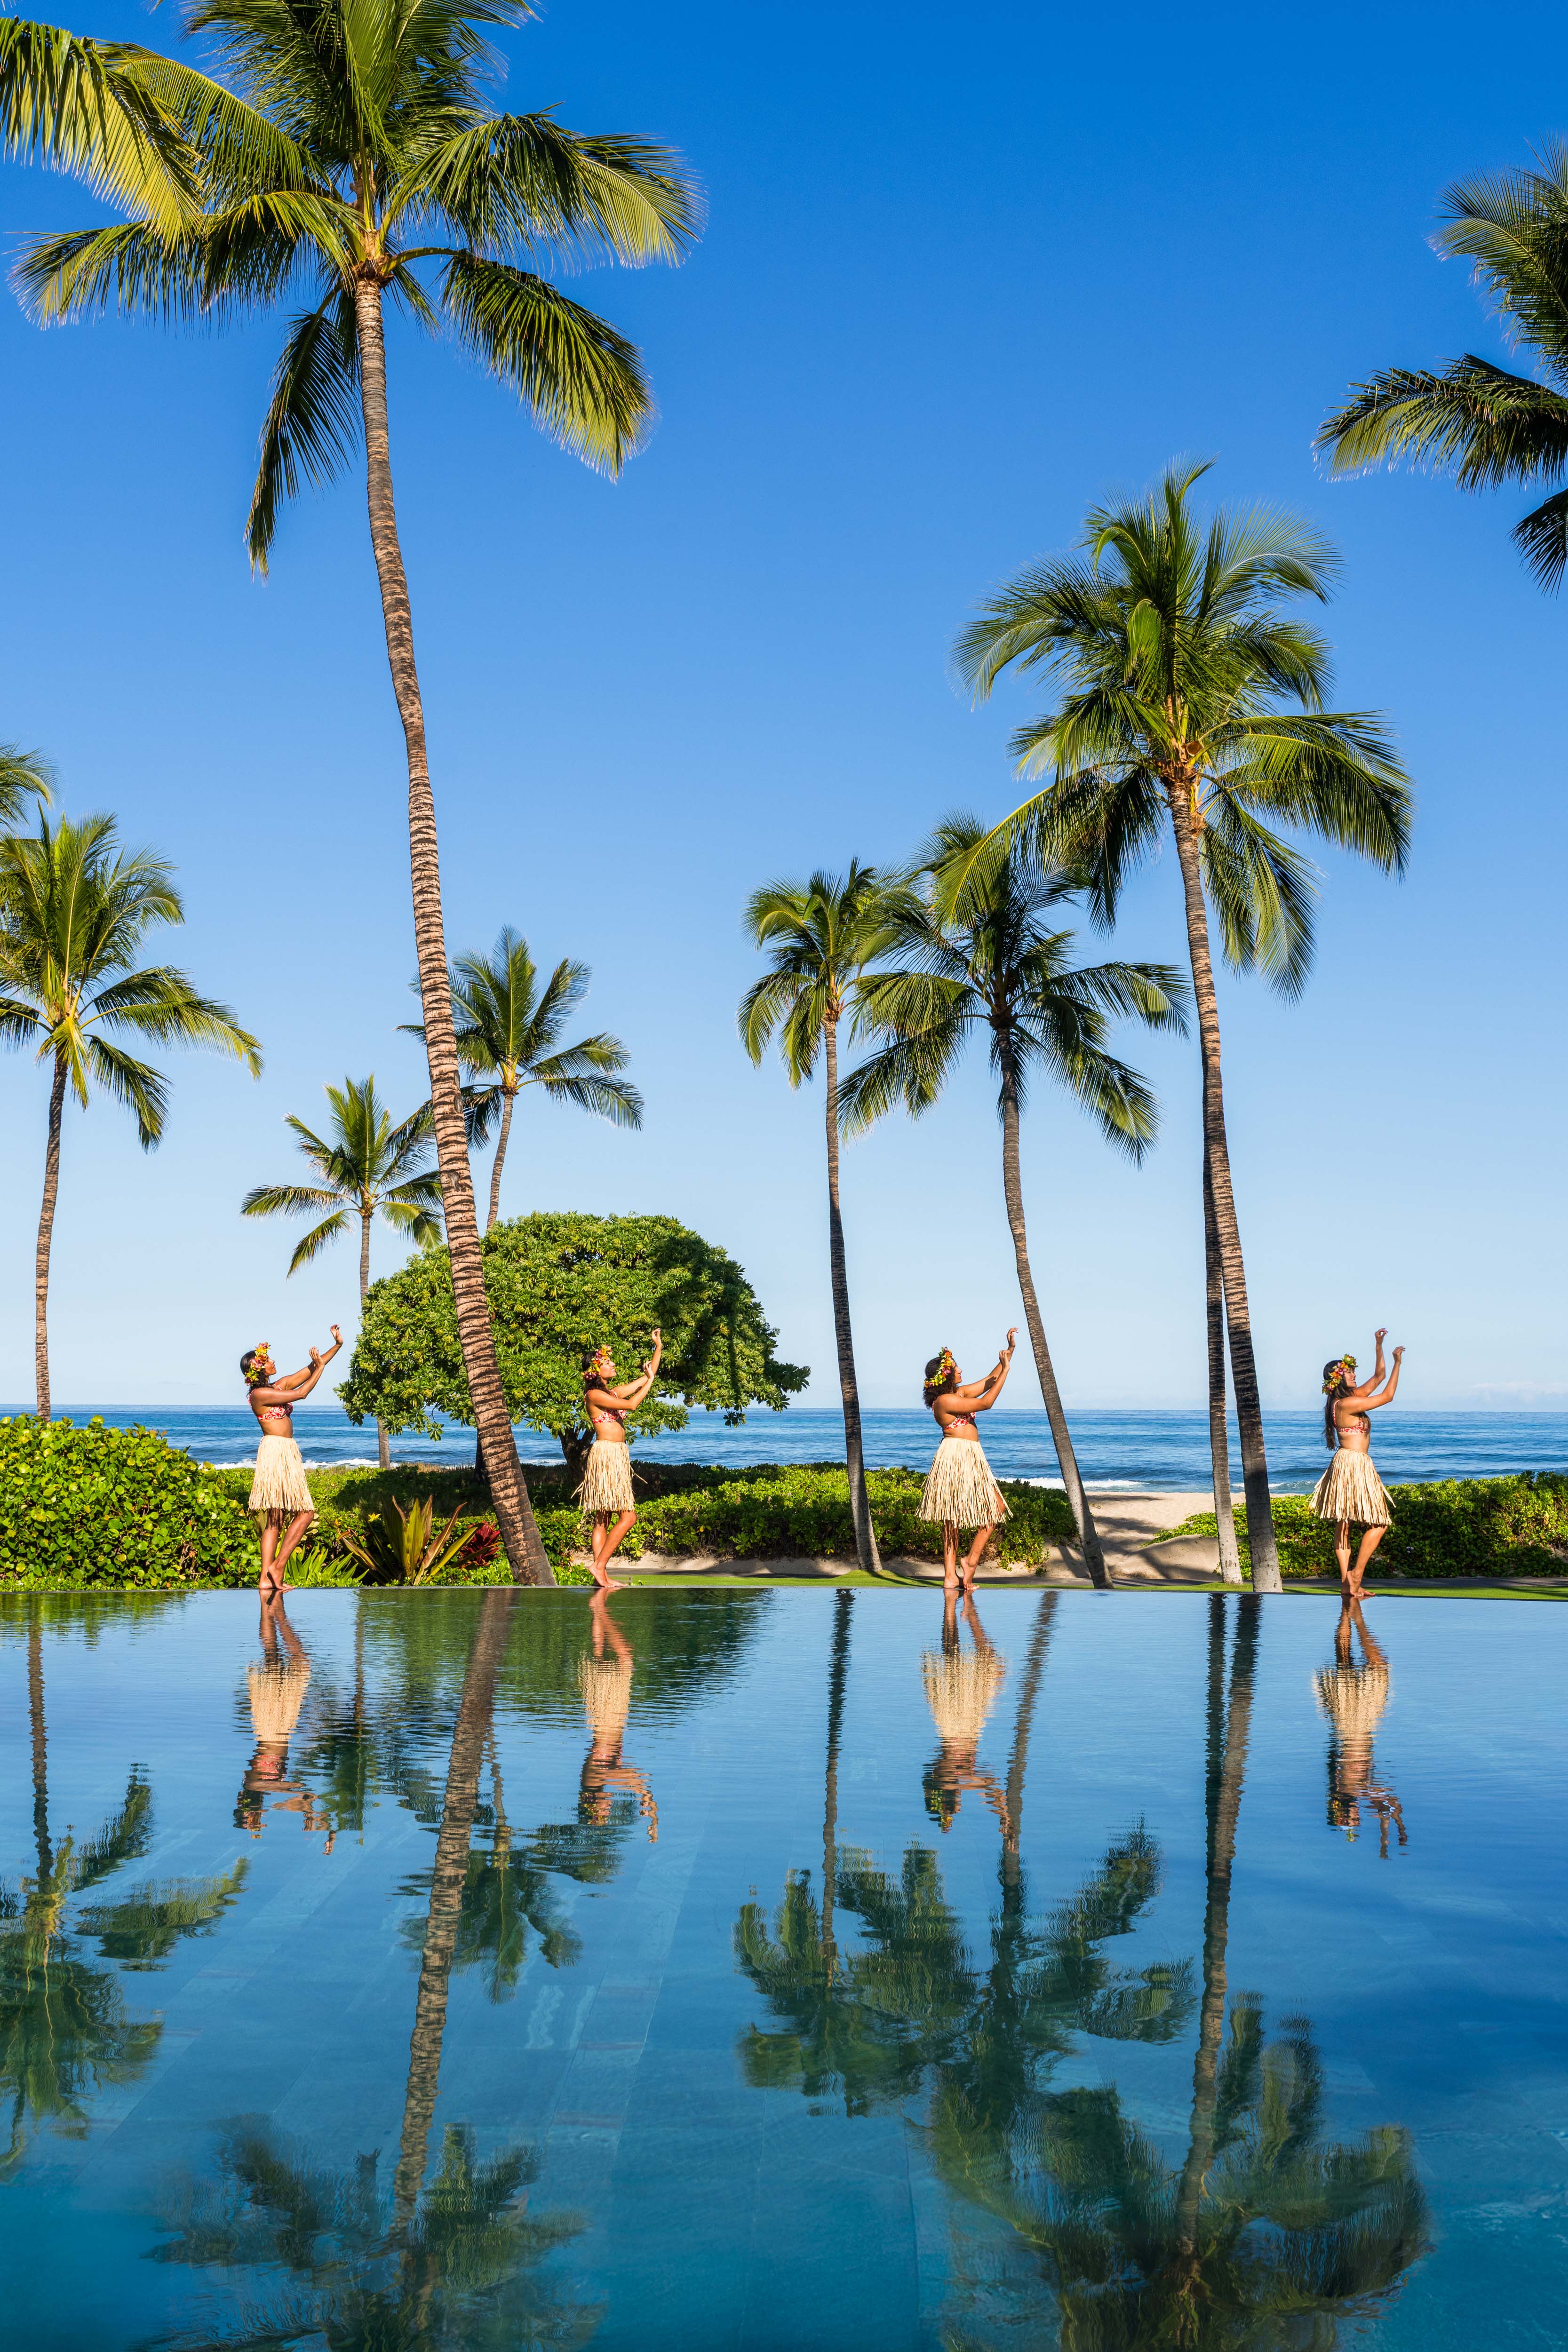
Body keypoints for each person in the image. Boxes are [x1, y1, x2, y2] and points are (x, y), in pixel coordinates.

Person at [242, 1327, 343, 1593]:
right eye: (268, 1360)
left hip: (286, 1452)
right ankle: (276, 1568)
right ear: (259, 1368)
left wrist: (337, 1346)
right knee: (305, 1512)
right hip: (276, 1452)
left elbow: (308, 1370)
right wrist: (320, 1368)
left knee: (275, 1517)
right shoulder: (259, 1395)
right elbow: (302, 1393)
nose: (274, 1362)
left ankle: (266, 1579)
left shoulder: (277, 1386)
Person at [234, 1591, 335, 1848]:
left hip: (270, 1722)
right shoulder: (270, 1792)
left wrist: (304, 1797)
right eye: (255, 1821)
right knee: (291, 1661)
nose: (257, 1819)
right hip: (283, 1723)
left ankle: (274, 1608)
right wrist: (317, 1819)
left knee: (276, 1657)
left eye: (251, 1819)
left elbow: (289, 1789)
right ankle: (275, 1610)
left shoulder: (254, 1784)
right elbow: (291, 1795)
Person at [917, 1331, 1017, 1588]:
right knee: (951, 1515)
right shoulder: (945, 1401)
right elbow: (986, 1403)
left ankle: (970, 1562)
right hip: (955, 1457)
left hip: (972, 1457)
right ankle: (950, 1575)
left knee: (997, 1507)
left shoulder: (959, 1395)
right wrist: (1006, 1372)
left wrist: (1009, 1351)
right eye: (955, 1367)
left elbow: (987, 1381)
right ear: (945, 1375)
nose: (960, 1369)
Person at [1312, 1329, 1404, 1597]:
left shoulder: (1343, 1401)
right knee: (1379, 1522)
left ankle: (1347, 1585)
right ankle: (1355, 1575)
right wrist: (1399, 1363)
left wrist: (1379, 1345)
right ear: (1338, 1378)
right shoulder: (1348, 1404)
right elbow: (1387, 1396)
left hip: (1352, 1464)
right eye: (1350, 1372)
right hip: (1354, 1465)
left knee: (1345, 1525)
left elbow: (1379, 1378)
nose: (1354, 1374)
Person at [1314, 1597, 1407, 1857]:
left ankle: (1355, 1616)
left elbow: (1385, 1800)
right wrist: (1391, 1833)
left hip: (1354, 1720)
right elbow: (1391, 1805)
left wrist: (1390, 1832)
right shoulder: (1356, 1789)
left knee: (1372, 1665)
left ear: (1344, 1813)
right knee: (1346, 1660)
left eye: (1353, 1818)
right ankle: (1349, 1609)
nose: (1358, 1816)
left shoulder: (1346, 1788)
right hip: (1357, 1722)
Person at [921, 1589, 1009, 1834]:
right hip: (969, 1722)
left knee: (954, 1656)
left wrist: (998, 1808)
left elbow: (983, 1785)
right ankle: (967, 1613)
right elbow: (990, 1785)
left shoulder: (947, 1777)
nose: (960, 1805)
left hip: (955, 1721)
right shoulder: (961, 1778)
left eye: (955, 1806)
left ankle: (959, 1610)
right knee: (987, 1665)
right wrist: (1002, 1814)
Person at [579, 1328, 662, 1589]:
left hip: (616, 1456)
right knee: (628, 1517)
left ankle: (599, 1575)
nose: (613, 1364)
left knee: (602, 1518)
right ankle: (599, 1566)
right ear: (595, 1371)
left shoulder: (612, 1393)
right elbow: (633, 1405)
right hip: (606, 1456)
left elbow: (647, 1376)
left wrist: (657, 1346)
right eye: (607, 1362)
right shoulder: (595, 1395)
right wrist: (648, 1383)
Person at [578, 1589, 658, 1839]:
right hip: (611, 1715)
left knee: (626, 1659)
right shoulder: (602, 1780)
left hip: (606, 1713)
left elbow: (631, 1777)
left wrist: (643, 1793)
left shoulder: (592, 1780)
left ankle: (601, 1611)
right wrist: (652, 1813)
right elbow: (631, 1778)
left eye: (603, 1811)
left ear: (592, 1804)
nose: (609, 1808)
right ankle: (598, 1605)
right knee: (599, 1651)